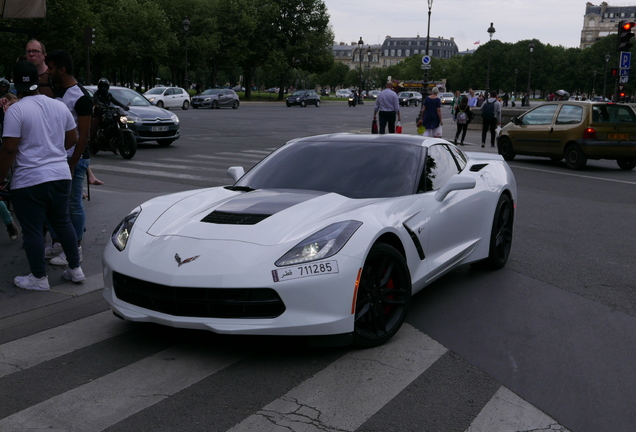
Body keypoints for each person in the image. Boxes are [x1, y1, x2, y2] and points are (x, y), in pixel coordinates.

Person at [0, 60, 84, 290]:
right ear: (39, 81)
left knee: (33, 230)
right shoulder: (58, 106)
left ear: (15, 82)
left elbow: (9, 149)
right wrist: (54, 152)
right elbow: (73, 139)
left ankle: (38, 278)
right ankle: (75, 269)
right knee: (63, 222)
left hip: (30, 180)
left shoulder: (16, 110)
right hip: (59, 175)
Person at [44, 50, 93, 266]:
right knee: (54, 204)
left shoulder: (80, 97)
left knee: (72, 204)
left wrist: (72, 164)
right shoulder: (60, 92)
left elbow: (83, 136)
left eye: (51, 68)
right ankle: (59, 243)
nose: (48, 72)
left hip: (73, 159)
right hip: (59, 157)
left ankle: (76, 248)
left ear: (62, 70)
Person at [90, 78, 129, 154]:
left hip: (108, 112)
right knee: (94, 128)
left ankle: (114, 145)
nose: (104, 88)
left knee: (115, 121)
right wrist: (98, 105)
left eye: (105, 86)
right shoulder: (97, 94)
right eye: (102, 86)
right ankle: (90, 145)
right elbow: (95, 101)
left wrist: (123, 106)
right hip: (98, 113)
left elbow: (115, 101)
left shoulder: (108, 95)